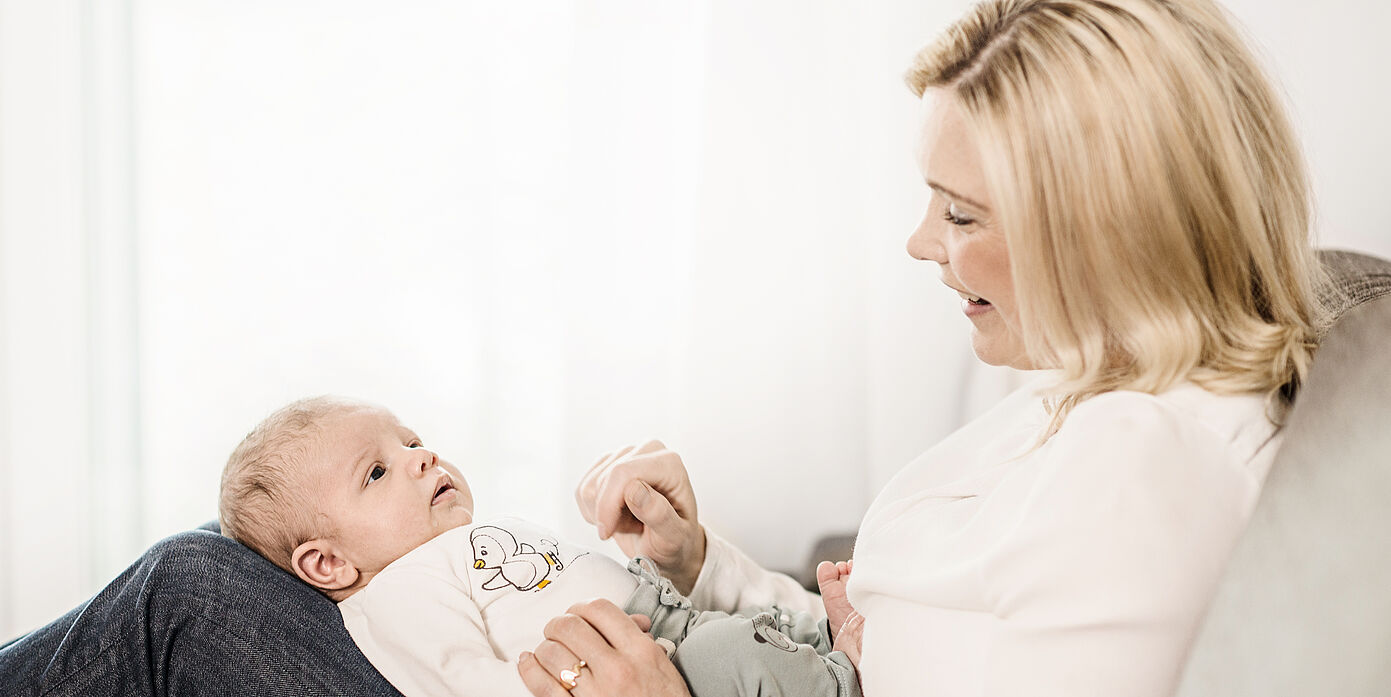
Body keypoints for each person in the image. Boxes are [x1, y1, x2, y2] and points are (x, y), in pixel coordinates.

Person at [515, 1, 1320, 696]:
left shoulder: (1148, 475)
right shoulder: (1093, 383)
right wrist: (697, 564)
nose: (919, 242)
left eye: (961, 214)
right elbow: (878, 653)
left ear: (1103, 235)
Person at [218, 396, 866, 697]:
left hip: (660, 623)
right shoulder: (398, 593)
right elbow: (461, 681)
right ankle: (846, 673)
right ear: (328, 562)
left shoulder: (454, 542)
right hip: (652, 660)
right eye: (377, 471)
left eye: (411, 441)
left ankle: (830, 642)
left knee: (753, 636)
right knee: (743, 652)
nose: (421, 457)